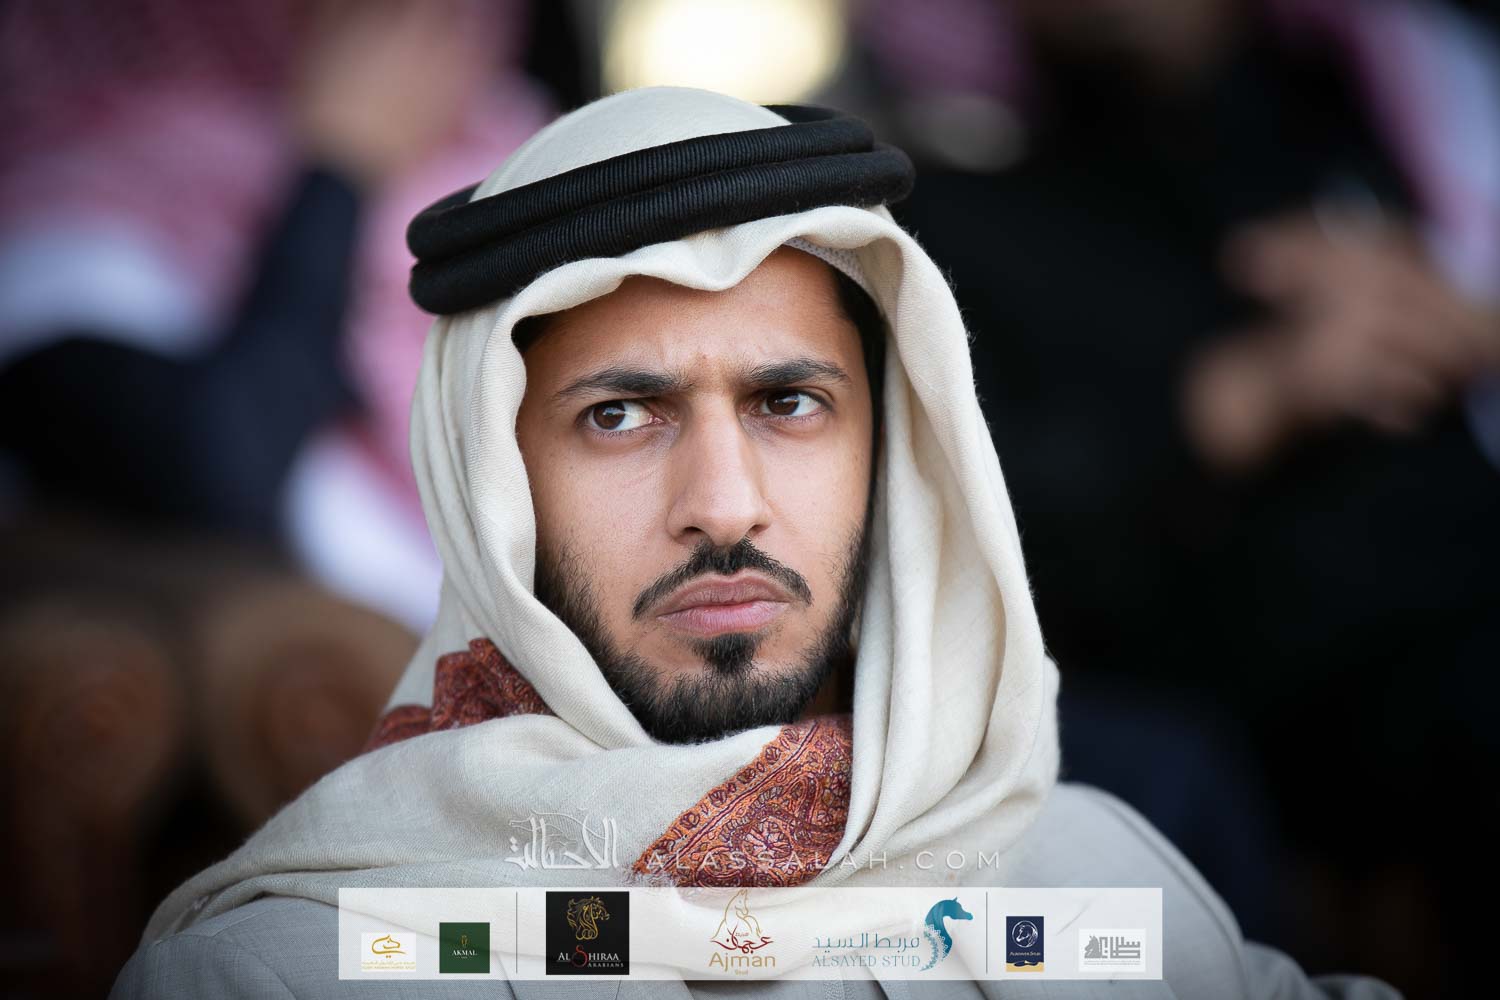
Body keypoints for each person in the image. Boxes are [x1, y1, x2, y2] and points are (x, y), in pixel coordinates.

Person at [111, 87, 1396, 998]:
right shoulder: (326, 959)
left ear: (895, 454)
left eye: (789, 403)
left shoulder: (1093, 892)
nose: (723, 506)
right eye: (620, 416)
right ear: (496, 484)